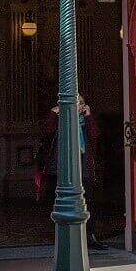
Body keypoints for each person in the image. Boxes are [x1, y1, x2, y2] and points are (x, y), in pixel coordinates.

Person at [34, 94, 104, 248]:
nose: (77, 106)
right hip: (61, 168)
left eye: (81, 103)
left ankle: (89, 237)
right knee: (60, 202)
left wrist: (89, 116)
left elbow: (95, 135)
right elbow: (46, 132)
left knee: (88, 201)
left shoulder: (86, 122)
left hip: (84, 167)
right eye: (74, 102)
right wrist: (53, 112)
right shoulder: (60, 121)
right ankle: (63, 238)